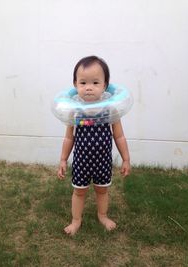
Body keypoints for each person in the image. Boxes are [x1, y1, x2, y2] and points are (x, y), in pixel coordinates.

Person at [57, 56, 131, 235]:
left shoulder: (110, 110)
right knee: (79, 192)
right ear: (75, 85)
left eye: (95, 82)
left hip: (103, 161)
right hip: (82, 161)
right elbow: (69, 138)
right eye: (83, 82)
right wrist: (63, 159)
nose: (88, 87)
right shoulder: (75, 111)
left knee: (102, 190)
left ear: (105, 86)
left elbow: (119, 136)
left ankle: (102, 215)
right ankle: (76, 220)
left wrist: (126, 159)